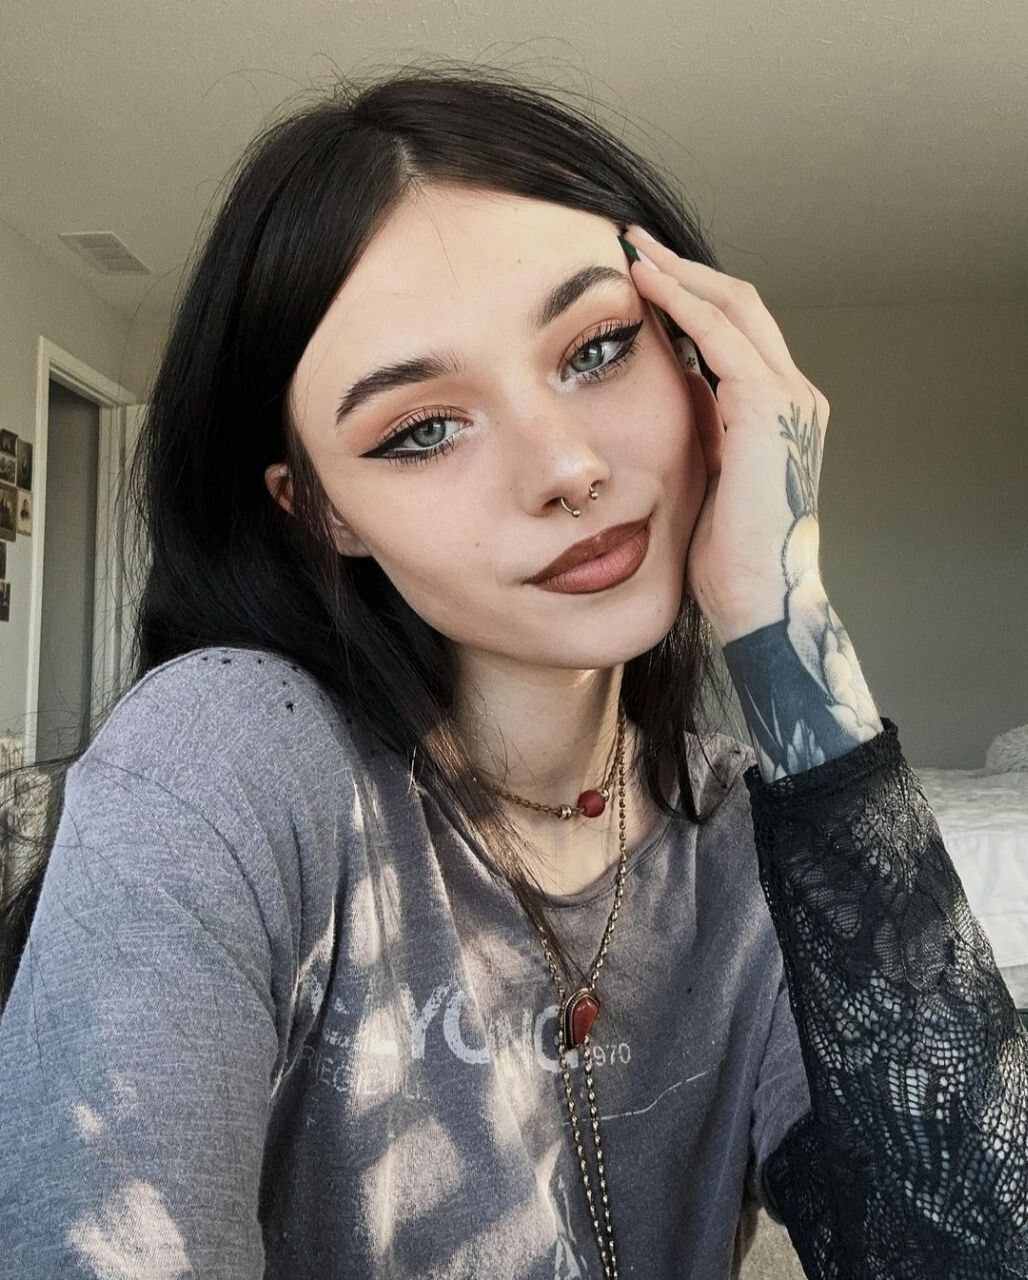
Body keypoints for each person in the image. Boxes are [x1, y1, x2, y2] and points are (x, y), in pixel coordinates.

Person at [0, 63, 1024, 1280]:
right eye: (421, 429)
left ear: (698, 356)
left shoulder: (744, 845)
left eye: (596, 348)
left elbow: (969, 1245)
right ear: (321, 511)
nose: (564, 465)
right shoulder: (228, 758)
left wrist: (783, 607)